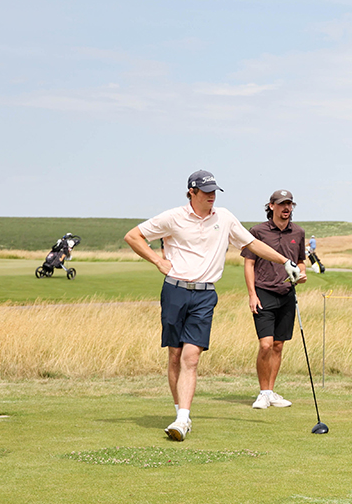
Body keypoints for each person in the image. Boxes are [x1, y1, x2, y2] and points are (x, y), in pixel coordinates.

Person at [124, 170, 302, 441]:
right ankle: (179, 411)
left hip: (205, 295)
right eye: (206, 191)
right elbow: (133, 236)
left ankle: (182, 419)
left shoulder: (225, 218)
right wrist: (158, 262)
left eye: (214, 191)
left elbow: (253, 243)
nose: (211, 196)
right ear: (191, 192)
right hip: (175, 291)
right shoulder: (173, 217)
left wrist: (284, 261)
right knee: (174, 354)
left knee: (191, 357)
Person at [243, 189, 308, 410]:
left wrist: (302, 272)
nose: (286, 208)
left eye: (289, 204)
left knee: (278, 346)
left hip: (287, 293)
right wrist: (252, 294)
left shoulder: (298, 232)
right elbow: (249, 263)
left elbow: (300, 260)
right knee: (266, 345)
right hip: (263, 292)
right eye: (281, 204)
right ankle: (263, 392)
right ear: (271, 206)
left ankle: (270, 392)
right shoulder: (258, 232)